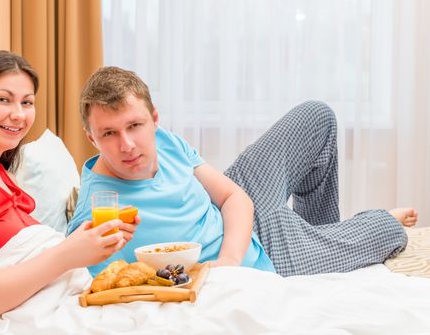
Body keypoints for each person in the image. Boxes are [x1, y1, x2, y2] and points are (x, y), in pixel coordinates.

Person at [67, 66, 418, 277]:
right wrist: (232, 266)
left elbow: (234, 195)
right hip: (268, 253)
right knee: (385, 233)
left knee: (317, 117)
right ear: (91, 138)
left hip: (236, 214)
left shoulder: (166, 142)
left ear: (154, 120)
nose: (127, 145)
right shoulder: (98, 207)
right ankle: (360, 227)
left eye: (135, 126)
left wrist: (229, 257)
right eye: (109, 134)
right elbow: (83, 268)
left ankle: (322, 230)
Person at [0, 51, 139, 322]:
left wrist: (90, 244)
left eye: (27, 102)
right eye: (3, 100)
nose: (19, 114)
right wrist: (67, 255)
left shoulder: (0, 174)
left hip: (67, 301)